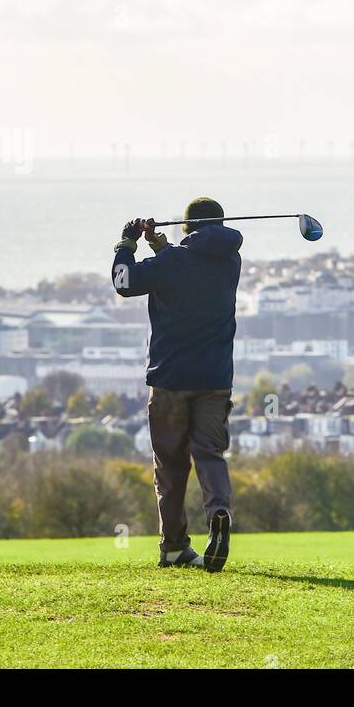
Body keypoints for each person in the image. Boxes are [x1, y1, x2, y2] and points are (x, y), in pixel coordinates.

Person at [111, 197, 242, 572]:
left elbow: (124, 282)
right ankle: (218, 511)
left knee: (169, 466)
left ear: (186, 228)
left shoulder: (170, 264)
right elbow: (190, 263)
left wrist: (126, 244)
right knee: (210, 455)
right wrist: (159, 245)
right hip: (215, 379)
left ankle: (173, 547)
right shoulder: (230, 261)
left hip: (169, 380)